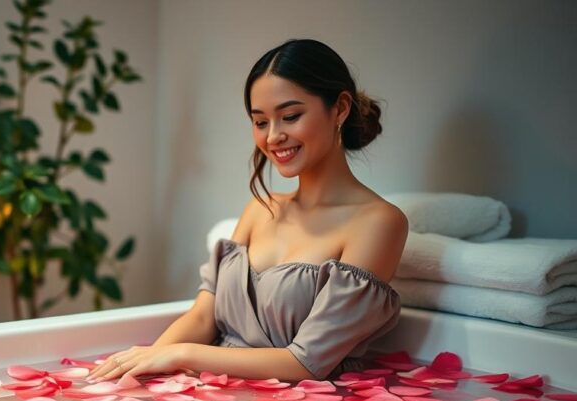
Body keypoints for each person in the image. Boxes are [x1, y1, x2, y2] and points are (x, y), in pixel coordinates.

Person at [88, 38, 408, 383]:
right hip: (213, 391)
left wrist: (181, 354)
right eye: (260, 122)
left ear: (341, 108)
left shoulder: (378, 223)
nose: (273, 137)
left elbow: (306, 362)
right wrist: (142, 365)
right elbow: (202, 318)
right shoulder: (259, 210)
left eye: (290, 116)